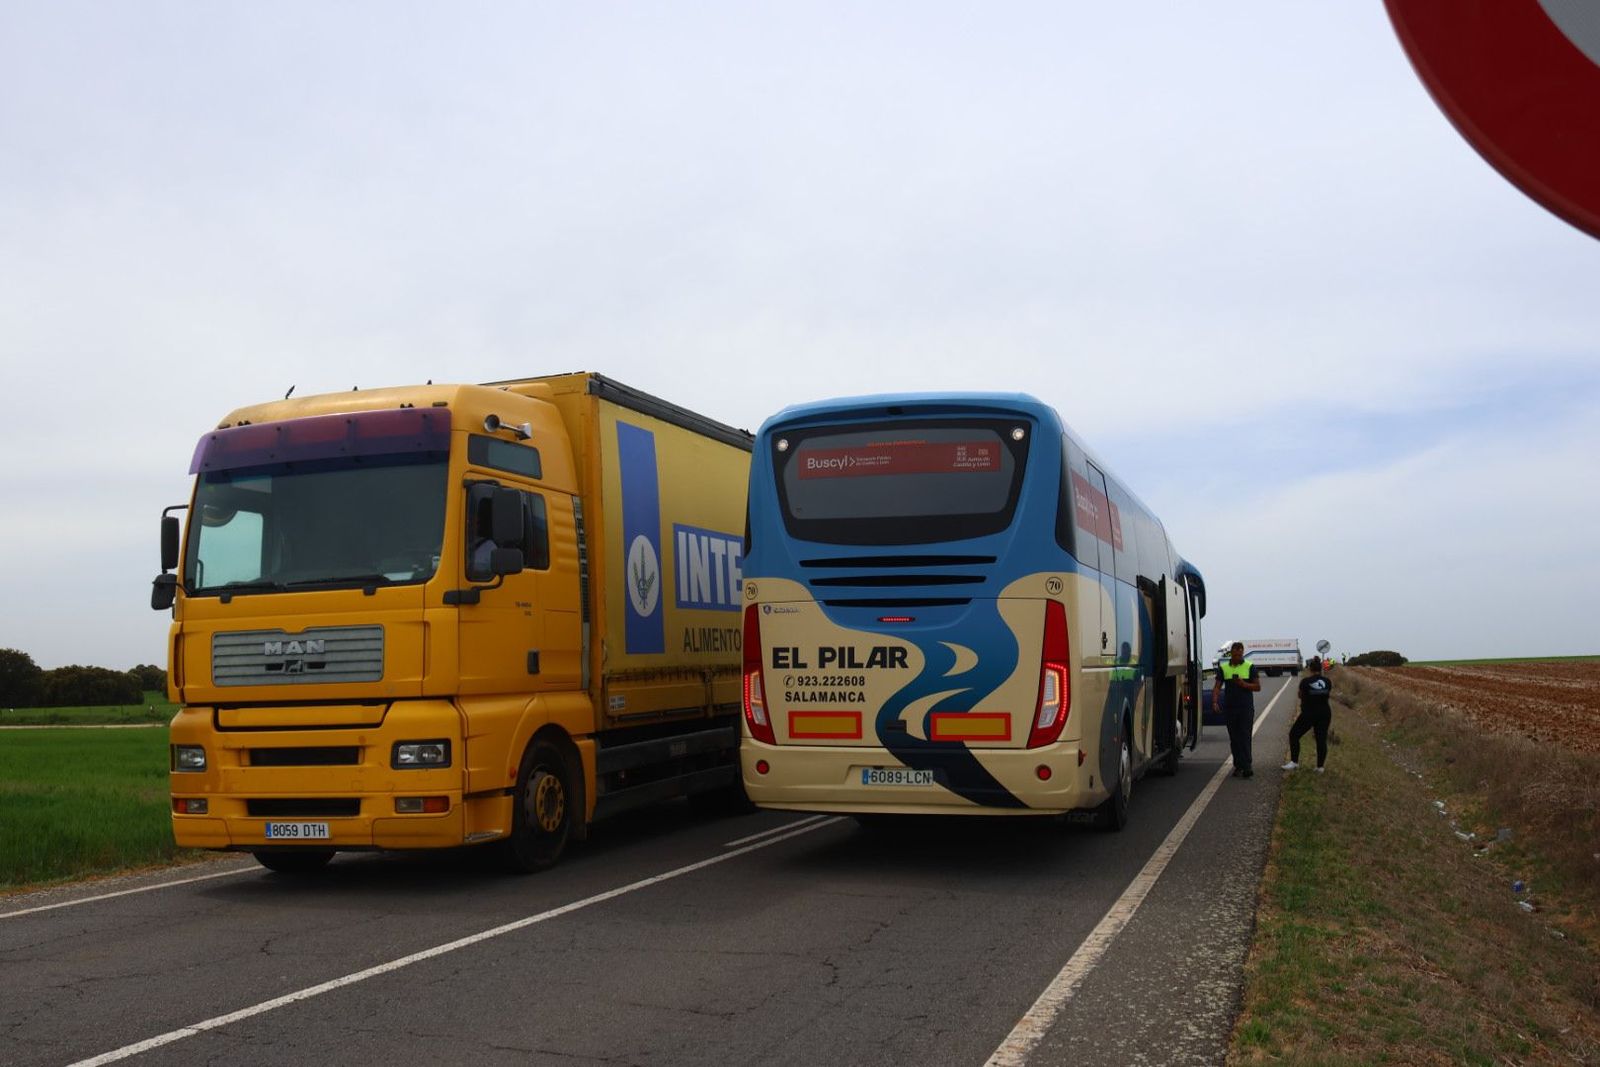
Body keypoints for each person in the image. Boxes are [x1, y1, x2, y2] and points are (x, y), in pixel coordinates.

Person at [1215, 641, 1261, 778]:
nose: (1237, 657)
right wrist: (1214, 701)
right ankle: (1238, 766)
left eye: (1239, 654)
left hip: (1245, 708)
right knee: (1234, 739)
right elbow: (1217, 686)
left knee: (1245, 737)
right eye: (1235, 654)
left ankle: (1247, 766)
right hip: (1230, 708)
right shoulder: (1223, 668)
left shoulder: (1250, 667)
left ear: (1242, 653)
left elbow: (1258, 687)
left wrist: (1243, 684)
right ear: (1231, 653)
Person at [1283, 656, 1333, 772]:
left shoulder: (1305, 682)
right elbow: (1327, 693)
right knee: (1321, 739)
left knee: (1294, 735)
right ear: (1320, 669)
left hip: (1309, 713)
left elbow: (1300, 695)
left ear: (1310, 669)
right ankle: (1320, 767)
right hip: (1325, 713)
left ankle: (1294, 762)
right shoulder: (1327, 681)